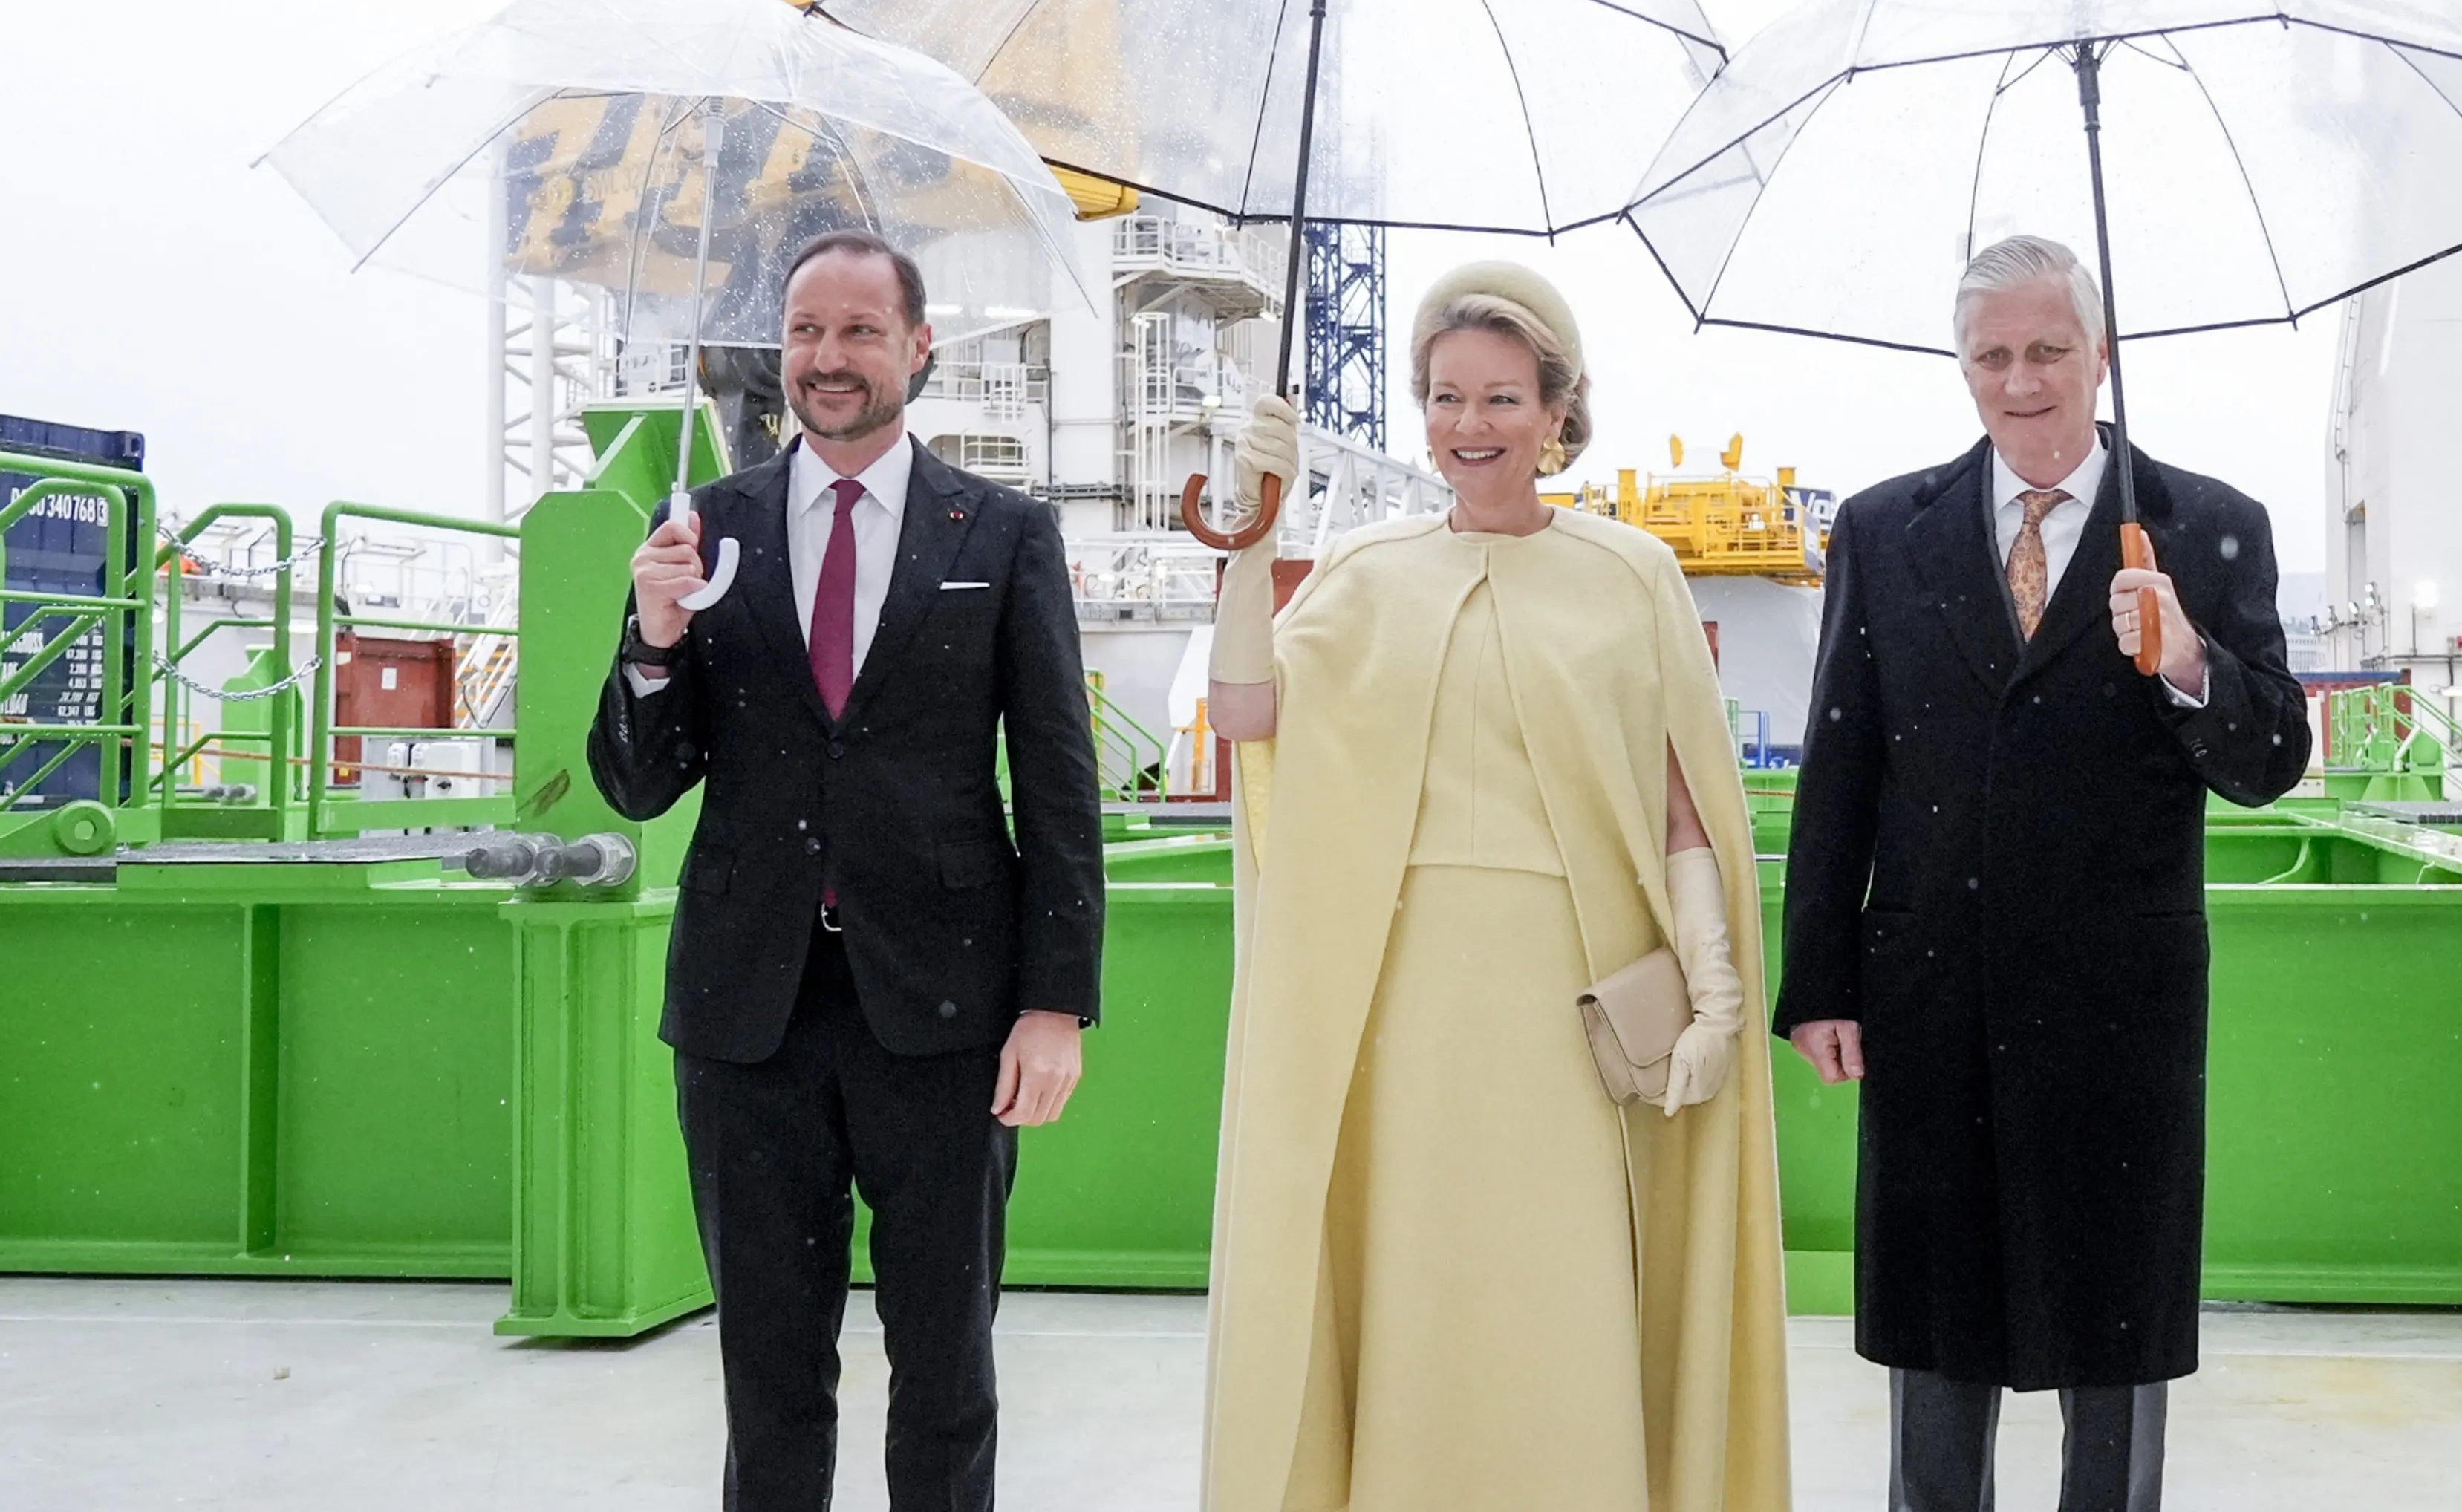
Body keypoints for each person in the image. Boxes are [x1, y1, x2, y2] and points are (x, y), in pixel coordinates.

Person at [1197, 262, 1793, 1512]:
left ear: (1559, 412)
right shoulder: (1363, 568)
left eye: (1504, 398)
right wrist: (1250, 546)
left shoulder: (1632, 574)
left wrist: (1717, 986)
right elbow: (1251, 717)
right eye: (1448, 397)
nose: (1471, 426)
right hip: (1406, 1003)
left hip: (1567, 1000)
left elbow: (1682, 807)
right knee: (1418, 1276)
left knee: (1557, 1287)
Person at [1774, 235, 2310, 1512]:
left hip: (2117, 1003)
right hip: (1932, 992)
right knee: (1936, 1329)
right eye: (1993, 356)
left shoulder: (2209, 528)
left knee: (2116, 1323)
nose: (2021, 382)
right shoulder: (1883, 530)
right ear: (1963, 367)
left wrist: (2189, 660)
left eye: (2049, 351)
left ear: (2100, 354)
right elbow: (1842, 767)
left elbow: (2274, 759)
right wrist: (1820, 979)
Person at [588, 228, 1104, 1512]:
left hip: (945, 1011)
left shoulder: (1003, 532)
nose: (829, 357)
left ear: (918, 348)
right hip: (747, 1013)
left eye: (861, 331)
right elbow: (640, 783)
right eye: (807, 331)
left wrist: (1056, 1002)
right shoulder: (704, 530)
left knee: (947, 1367)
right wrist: (654, 636)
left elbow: (1057, 779)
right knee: (767, 1371)